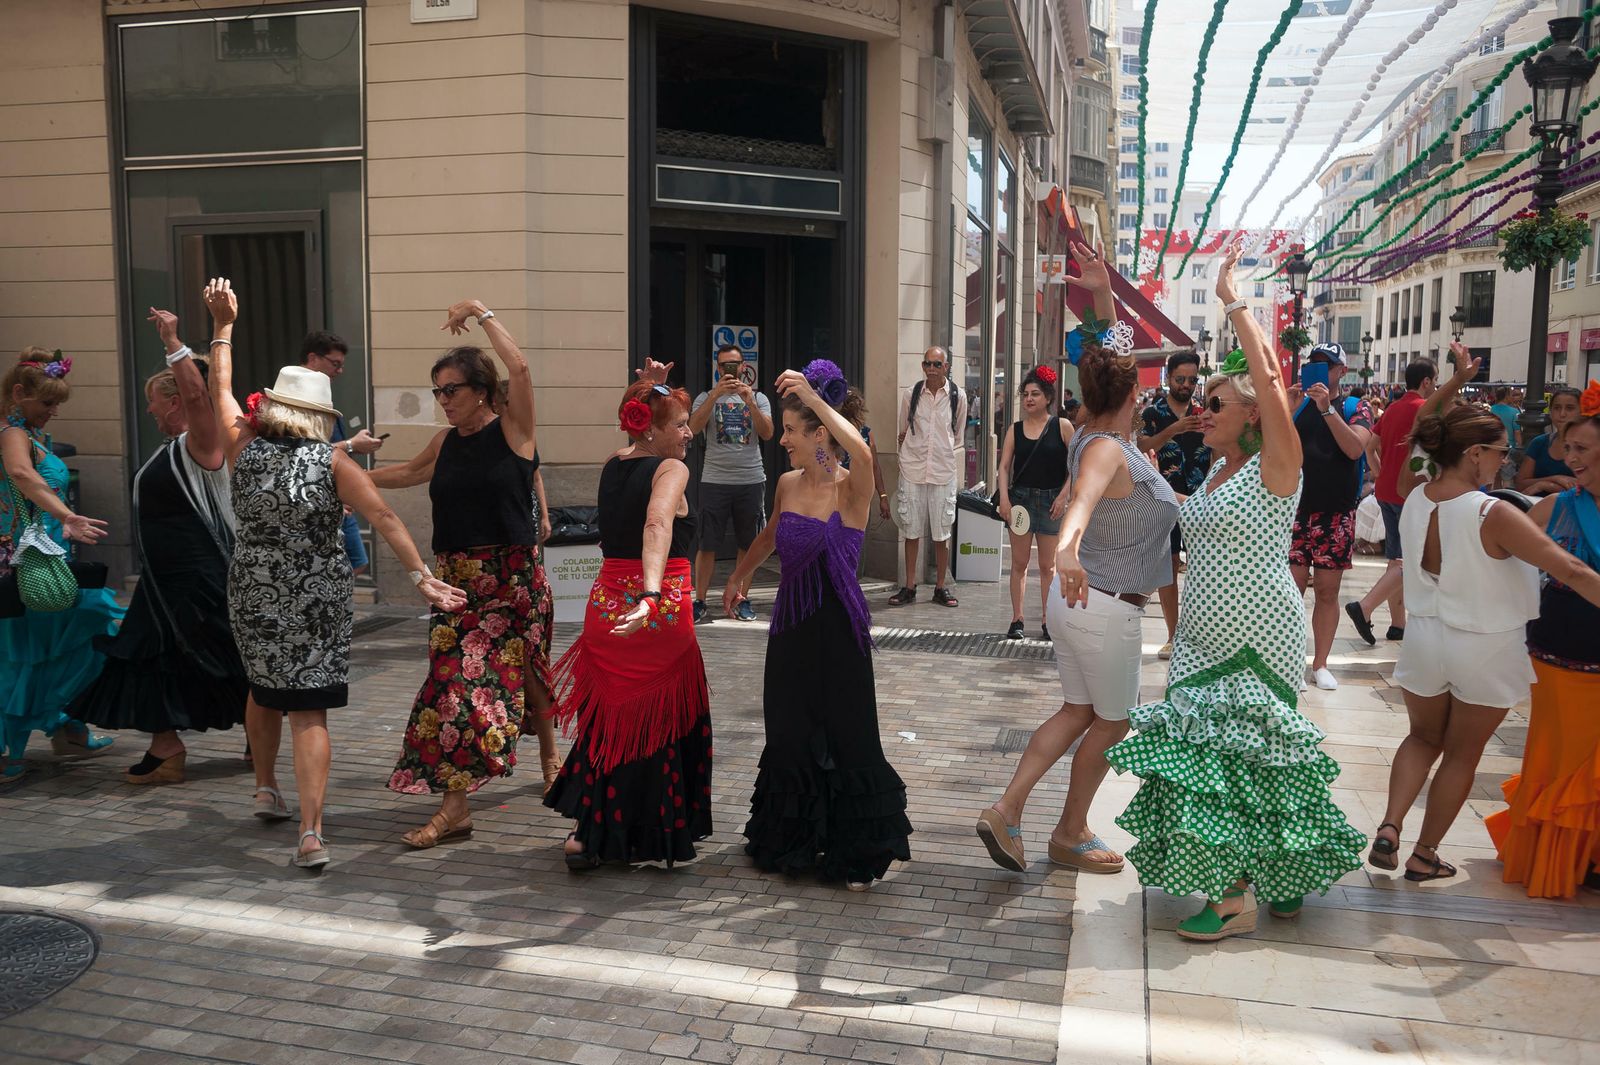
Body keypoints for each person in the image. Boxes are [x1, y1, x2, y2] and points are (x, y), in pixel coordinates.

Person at [1106, 240, 1365, 941]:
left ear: (1253, 413)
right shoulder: (1214, 471)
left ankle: (1232, 898)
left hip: (1258, 635)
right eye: (1203, 401)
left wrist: (1235, 305)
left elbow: (1271, 386)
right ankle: (1281, 875)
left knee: (1245, 754)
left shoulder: (1276, 468)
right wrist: (1185, 423)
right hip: (1199, 637)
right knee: (1224, 761)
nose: (1204, 407)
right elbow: (1154, 450)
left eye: (1217, 402)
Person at [207, 278, 465, 869]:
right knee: (308, 710)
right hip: (316, 598)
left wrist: (223, 325)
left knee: (263, 688)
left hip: (251, 592)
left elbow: (219, 386)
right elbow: (383, 516)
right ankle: (311, 834)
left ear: (272, 407)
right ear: (320, 415)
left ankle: (264, 787)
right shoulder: (333, 461)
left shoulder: (241, 446)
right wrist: (421, 574)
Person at [978, 241, 1179, 877]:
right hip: (1103, 606)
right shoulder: (1104, 451)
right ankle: (1068, 832)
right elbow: (1084, 504)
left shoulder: (1101, 431)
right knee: (1112, 723)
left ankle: (1007, 811)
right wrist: (1064, 550)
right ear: (1135, 392)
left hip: (1081, 608)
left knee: (1077, 712)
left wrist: (1099, 293)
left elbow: (1106, 352)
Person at [1369, 393, 1600, 884]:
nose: (1506, 460)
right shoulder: (1490, 512)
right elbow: (1573, 570)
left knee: (1421, 737)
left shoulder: (1416, 495)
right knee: (1462, 753)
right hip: (1485, 643)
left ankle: (1390, 825)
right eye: (1501, 451)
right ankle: (1424, 854)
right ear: (1474, 453)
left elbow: (1420, 444)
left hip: (1425, 638)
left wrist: (1451, 387)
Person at [368, 301, 557, 843]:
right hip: (454, 585)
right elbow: (408, 472)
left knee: (521, 675)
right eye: (437, 391)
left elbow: (519, 369)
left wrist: (481, 312)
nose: (443, 400)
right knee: (452, 688)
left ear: (480, 390)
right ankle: (458, 807)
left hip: (511, 580)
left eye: (451, 389)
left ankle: (547, 756)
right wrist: (349, 477)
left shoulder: (514, 431)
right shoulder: (445, 442)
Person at [723, 361, 912, 890]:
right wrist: (738, 576)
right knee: (790, 731)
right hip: (790, 629)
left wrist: (812, 394)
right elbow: (770, 535)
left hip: (839, 631)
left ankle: (855, 849)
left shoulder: (849, 489)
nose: (782, 439)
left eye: (790, 430)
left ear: (820, 433)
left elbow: (863, 450)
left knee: (849, 734)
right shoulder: (786, 483)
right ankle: (795, 841)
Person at [67, 308, 247, 784]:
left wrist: (173, 341)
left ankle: (259, 725)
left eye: (152, 401)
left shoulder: (202, 443)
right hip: (164, 583)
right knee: (156, 659)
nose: (148, 410)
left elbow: (197, 393)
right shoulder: (174, 448)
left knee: (222, 656)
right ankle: (167, 747)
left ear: (175, 403)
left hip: (197, 581)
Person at [544, 378, 711, 869]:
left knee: (607, 723)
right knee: (659, 722)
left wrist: (646, 386)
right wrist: (652, 593)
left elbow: (645, 432)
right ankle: (653, 834)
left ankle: (586, 832)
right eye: (680, 425)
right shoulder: (671, 468)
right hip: (657, 609)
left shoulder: (614, 463)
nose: (688, 434)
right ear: (654, 430)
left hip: (606, 608)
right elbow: (657, 525)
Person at [1486, 398, 1600, 897]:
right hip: (1561, 655)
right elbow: (1498, 558)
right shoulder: (1557, 507)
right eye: (1568, 447)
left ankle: (1590, 853)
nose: (1571, 457)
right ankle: (1565, 857)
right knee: (1564, 756)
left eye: (1583, 449)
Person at [0, 348, 120, 778]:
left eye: (57, 403)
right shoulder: (11, 433)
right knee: (27, 649)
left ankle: (65, 725)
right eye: (47, 403)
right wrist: (65, 515)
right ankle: (12, 749)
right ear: (18, 394)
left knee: (61, 640)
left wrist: (62, 524)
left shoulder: (28, 433)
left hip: (43, 556)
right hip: (24, 563)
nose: (53, 411)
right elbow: (21, 475)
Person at [1288, 342, 1375, 691]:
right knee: (1289, 590)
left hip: (1335, 512)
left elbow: (1355, 447)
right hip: (1294, 510)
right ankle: (1289, 659)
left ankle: (1320, 663)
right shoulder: (1298, 406)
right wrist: (1289, 410)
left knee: (1326, 590)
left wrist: (1327, 410)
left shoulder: (1356, 407)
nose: (1320, 370)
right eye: (1315, 364)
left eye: (1328, 365)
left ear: (1341, 371)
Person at [1346, 359, 1436, 647]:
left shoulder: (1394, 407)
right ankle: (1366, 606)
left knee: (1396, 558)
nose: (1435, 386)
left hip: (1386, 491)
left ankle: (1398, 624)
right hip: (1411, 494)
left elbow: (1371, 446)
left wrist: (1379, 472)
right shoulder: (1425, 409)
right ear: (1425, 382)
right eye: (1434, 381)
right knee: (1408, 560)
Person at [689, 343, 773, 623]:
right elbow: (693, 428)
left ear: (743, 367)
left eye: (734, 364)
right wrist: (715, 396)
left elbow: (768, 433)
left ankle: (741, 599)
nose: (730, 369)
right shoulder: (705, 397)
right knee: (707, 544)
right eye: (724, 364)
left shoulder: (758, 398)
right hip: (714, 479)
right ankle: (700, 600)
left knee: (748, 544)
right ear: (717, 368)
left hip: (750, 479)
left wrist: (748, 401)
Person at [1138, 350, 1212, 659]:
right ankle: (1173, 635)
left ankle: (1201, 636)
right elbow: (1140, 446)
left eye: (1192, 379)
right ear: (1169, 378)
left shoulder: (1206, 412)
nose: (1186, 385)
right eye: (1180, 379)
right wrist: (1173, 430)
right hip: (1163, 499)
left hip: (1201, 499)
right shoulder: (1152, 413)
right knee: (1167, 566)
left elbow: (1218, 450)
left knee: (1204, 566)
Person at [998, 365, 1073, 640]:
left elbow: (1077, 464)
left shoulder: (1062, 426)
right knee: (1019, 563)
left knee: (1047, 566)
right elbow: (1004, 466)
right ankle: (1017, 619)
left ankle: (1046, 619)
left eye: (1035, 394)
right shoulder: (1015, 430)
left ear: (1048, 398)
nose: (1029, 399)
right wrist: (1004, 499)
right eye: (1026, 394)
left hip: (1052, 501)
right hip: (1021, 502)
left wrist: (1065, 495)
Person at [889, 347, 967, 608]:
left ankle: (940, 587)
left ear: (946, 367)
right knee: (911, 531)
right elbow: (902, 432)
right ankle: (909, 586)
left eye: (936, 364)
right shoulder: (910, 395)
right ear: (923, 366)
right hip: (912, 470)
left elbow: (957, 436)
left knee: (942, 533)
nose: (931, 369)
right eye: (927, 364)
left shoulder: (958, 396)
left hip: (942, 472)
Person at [301, 331, 384, 574]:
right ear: (313, 358)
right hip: (316, 502)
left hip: (337, 498)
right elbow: (299, 454)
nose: (339, 371)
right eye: (335, 364)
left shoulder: (322, 397)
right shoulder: (298, 402)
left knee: (356, 564)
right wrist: (351, 445)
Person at [1515, 386, 1581, 497]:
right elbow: (1520, 484)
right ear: (1550, 411)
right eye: (1557, 408)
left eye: (1569, 408)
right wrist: (1550, 481)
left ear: (1582, 412)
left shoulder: (1591, 447)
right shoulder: (1539, 443)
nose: (1562, 414)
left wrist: (1545, 486)